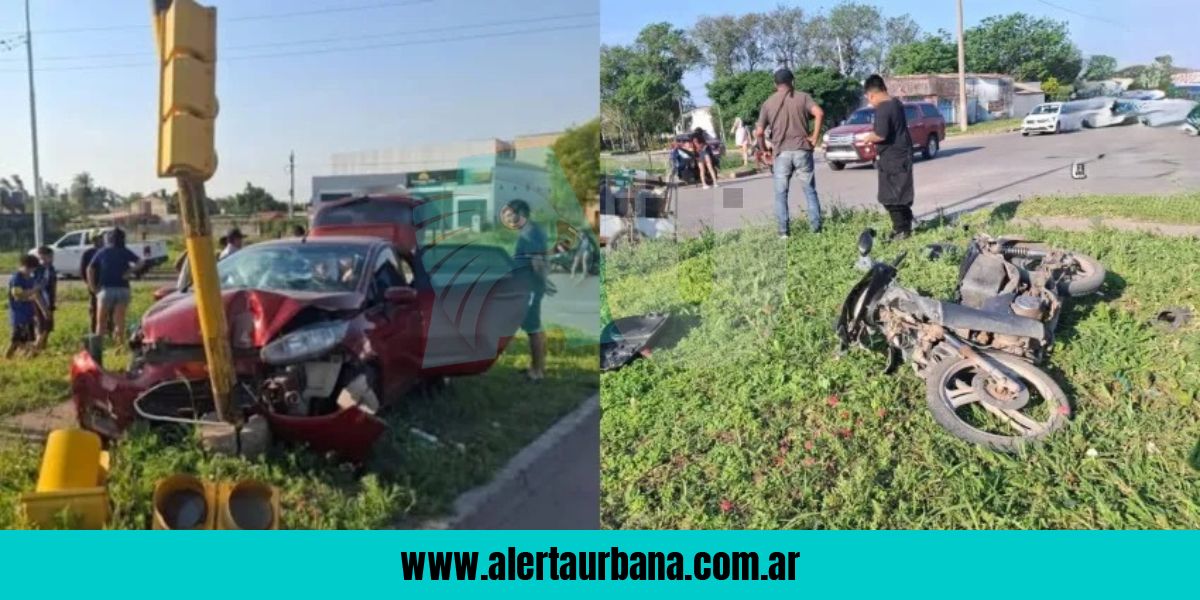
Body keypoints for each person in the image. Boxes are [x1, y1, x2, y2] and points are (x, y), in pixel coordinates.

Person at [755, 68, 825, 238]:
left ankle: (783, 233)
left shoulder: (768, 103)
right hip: (802, 149)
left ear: (775, 84)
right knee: (809, 191)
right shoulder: (803, 97)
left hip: (781, 153)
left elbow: (758, 132)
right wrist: (814, 137)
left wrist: (764, 151)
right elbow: (819, 113)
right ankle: (816, 231)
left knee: (781, 194)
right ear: (792, 81)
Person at [501, 199, 553, 382]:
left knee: (532, 328)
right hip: (529, 285)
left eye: (509, 215)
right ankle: (537, 367)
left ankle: (537, 372)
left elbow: (537, 262)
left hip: (530, 286)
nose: (507, 219)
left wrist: (542, 284)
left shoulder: (530, 233)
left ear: (520, 213)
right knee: (534, 327)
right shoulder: (531, 230)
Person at [858, 74, 914, 241]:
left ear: (872, 94)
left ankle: (901, 230)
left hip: (893, 157)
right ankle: (905, 226)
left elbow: (880, 135)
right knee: (899, 193)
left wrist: (867, 137)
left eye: (869, 98)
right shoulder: (895, 103)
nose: (870, 102)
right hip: (902, 154)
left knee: (889, 197)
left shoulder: (883, 108)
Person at [87, 228, 142, 341]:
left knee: (101, 321)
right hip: (123, 288)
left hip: (106, 289)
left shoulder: (103, 251)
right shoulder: (124, 251)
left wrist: (93, 287)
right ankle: (119, 346)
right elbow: (141, 262)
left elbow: (90, 268)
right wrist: (129, 272)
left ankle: (99, 346)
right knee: (120, 321)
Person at [7, 255, 43, 358]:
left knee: (29, 339)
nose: (29, 271)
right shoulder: (16, 278)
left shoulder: (30, 279)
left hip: (28, 313)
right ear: (21, 266)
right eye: (27, 268)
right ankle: (7, 357)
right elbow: (17, 294)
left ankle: (26, 357)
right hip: (18, 314)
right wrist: (33, 291)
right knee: (16, 340)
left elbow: (33, 296)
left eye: (32, 269)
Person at [80, 232, 106, 333]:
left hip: (106, 285)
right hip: (94, 285)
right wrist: (90, 285)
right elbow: (83, 270)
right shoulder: (88, 253)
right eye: (97, 239)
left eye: (101, 238)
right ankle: (94, 332)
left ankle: (108, 331)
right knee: (95, 309)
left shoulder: (106, 251)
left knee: (109, 309)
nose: (100, 240)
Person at [33, 246, 57, 351]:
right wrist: (44, 309)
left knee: (48, 327)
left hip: (49, 301)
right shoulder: (39, 270)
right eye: (49, 256)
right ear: (42, 257)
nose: (52, 258)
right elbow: (36, 292)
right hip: (40, 302)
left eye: (52, 256)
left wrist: (53, 302)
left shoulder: (51, 268)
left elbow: (53, 285)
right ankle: (35, 351)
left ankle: (43, 348)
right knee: (41, 327)